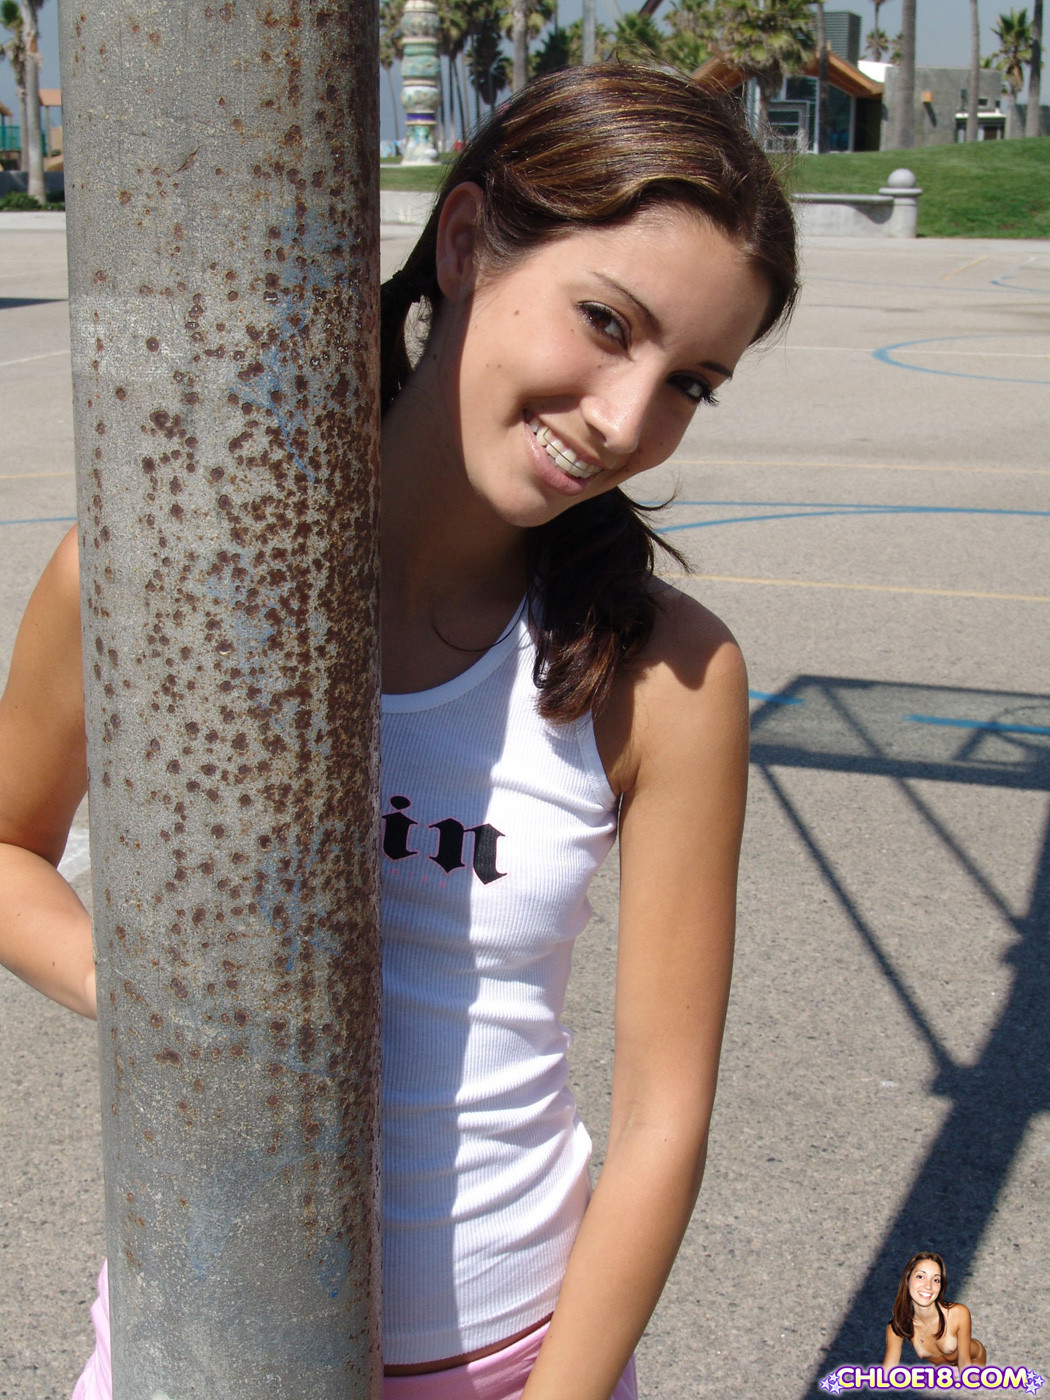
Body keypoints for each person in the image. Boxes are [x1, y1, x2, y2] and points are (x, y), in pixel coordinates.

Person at [0, 64, 798, 1400]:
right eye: (607, 323)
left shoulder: (665, 675)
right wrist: (140, 989)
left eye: (689, 383)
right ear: (469, 238)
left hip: (507, 1356)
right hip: (198, 1332)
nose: (625, 421)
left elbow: (662, 1125)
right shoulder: (162, 577)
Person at [883, 1253, 987, 1374]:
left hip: (973, 1361)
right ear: (907, 1279)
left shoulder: (958, 1313)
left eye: (936, 1280)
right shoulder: (897, 1327)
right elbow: (887, 1371)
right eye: (920, 1277)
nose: (928, 1286)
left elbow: (965, 1362)